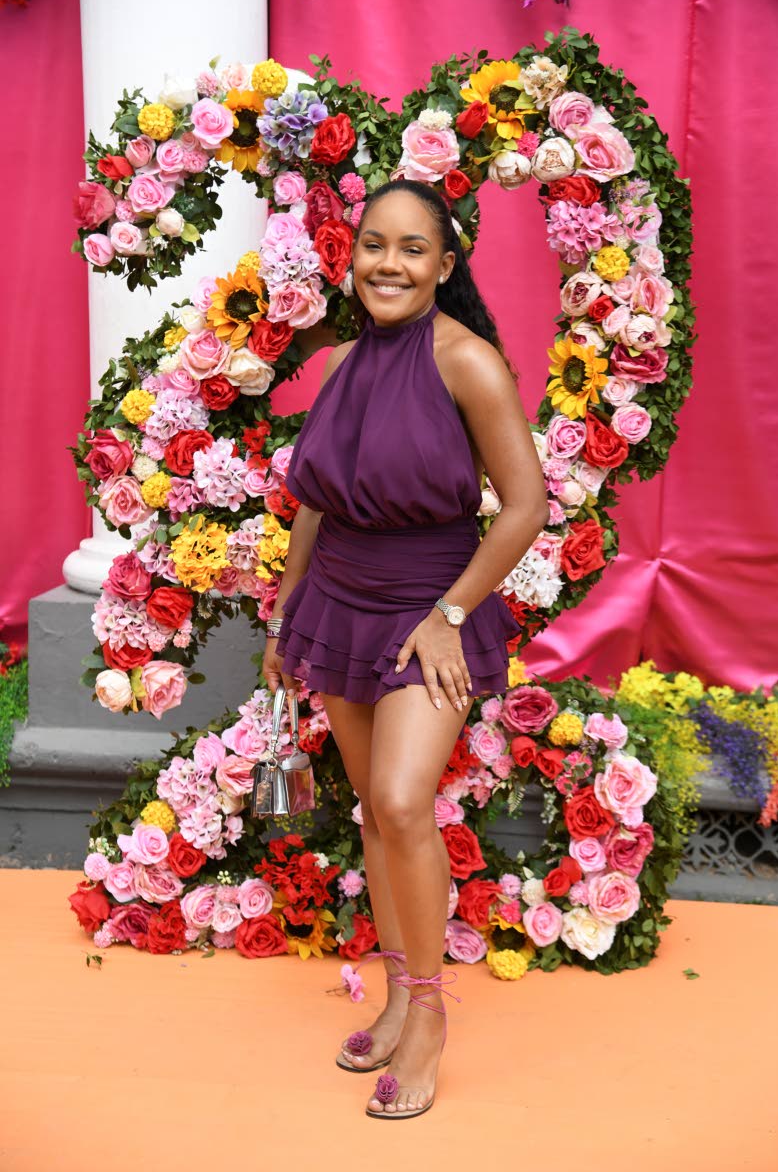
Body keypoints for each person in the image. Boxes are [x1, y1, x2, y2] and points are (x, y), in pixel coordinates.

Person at [262, 179, 549, 1119]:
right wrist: (287, 614)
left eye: (412, 248)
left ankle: (428, 1015)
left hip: (429, 607)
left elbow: (526, 507)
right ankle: (395, 993)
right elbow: (317, 499)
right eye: (373, 245)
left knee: (399, 798)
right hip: (339, 601)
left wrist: (450, 615)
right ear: (353, 257)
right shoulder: (342, 360)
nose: (388, 264)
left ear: (445, 265)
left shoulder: (469, 362)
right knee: (374, 815)